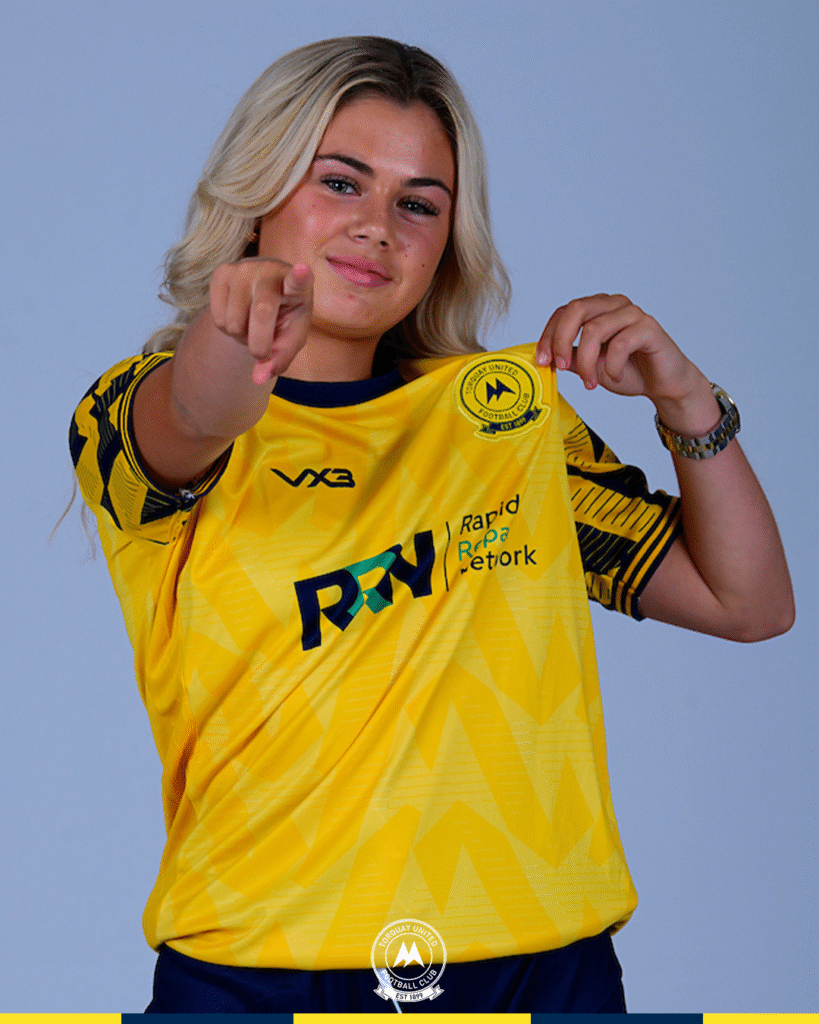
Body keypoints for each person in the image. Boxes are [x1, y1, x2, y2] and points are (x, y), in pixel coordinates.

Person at [69, 36, 793, 1013]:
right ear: (258, 194)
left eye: (419, 204)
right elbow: (202, 409)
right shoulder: (137, 412)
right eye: (339, 182)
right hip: (263, 972)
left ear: (450, 239)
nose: (376, 227)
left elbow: (748, 604)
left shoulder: (505, 420)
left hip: (543, 965)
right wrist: (234, 333)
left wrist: (687, 403)